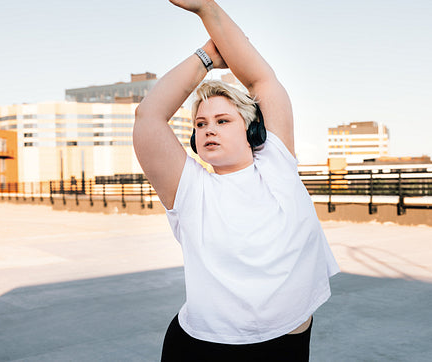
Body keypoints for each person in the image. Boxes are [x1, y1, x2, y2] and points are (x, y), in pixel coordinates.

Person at [133, 0, 340, 360]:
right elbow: (149, 115)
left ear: (252, 128)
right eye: (201, 124)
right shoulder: (191, 189)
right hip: (201, 348)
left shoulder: (276, 162)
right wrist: (207, 55)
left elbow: (261, 79)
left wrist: (205, 8)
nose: (209, 129)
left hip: (284, 345)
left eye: (223, 120)